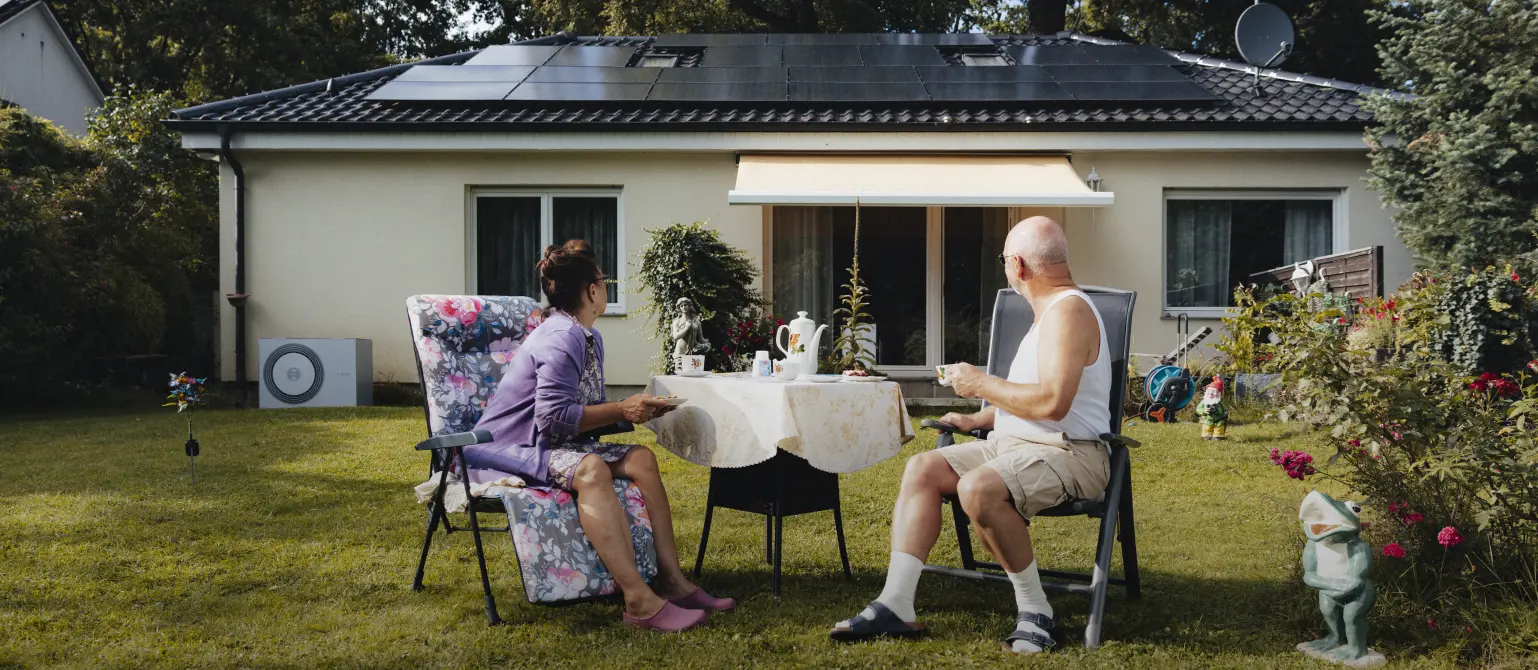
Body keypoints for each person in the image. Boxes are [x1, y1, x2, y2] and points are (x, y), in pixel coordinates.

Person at [829, 217, 1111, 654]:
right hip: (1015, 446)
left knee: (978, 488)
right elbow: (1033, 397)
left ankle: (1037, 611)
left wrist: (980, 382)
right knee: (923, 469)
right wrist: (978, 418)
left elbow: (1053, 404)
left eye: (1004, 260)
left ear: (1018, 265)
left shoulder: (1068, 312)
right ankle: (896, 603)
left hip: (1070, 453)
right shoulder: (1049, 314)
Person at [465, 239, 734, 632]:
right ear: (592, 291)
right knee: (592, 469)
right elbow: (552, 418)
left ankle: (672, 582)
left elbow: (579, 415)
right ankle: (639, 600)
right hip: (507, 447)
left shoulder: (586, 335)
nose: (605, 288)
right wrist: (622, 409)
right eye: (603, 282)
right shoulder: (562, 336)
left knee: (641, 459)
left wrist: (636, 411)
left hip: (548, 442)